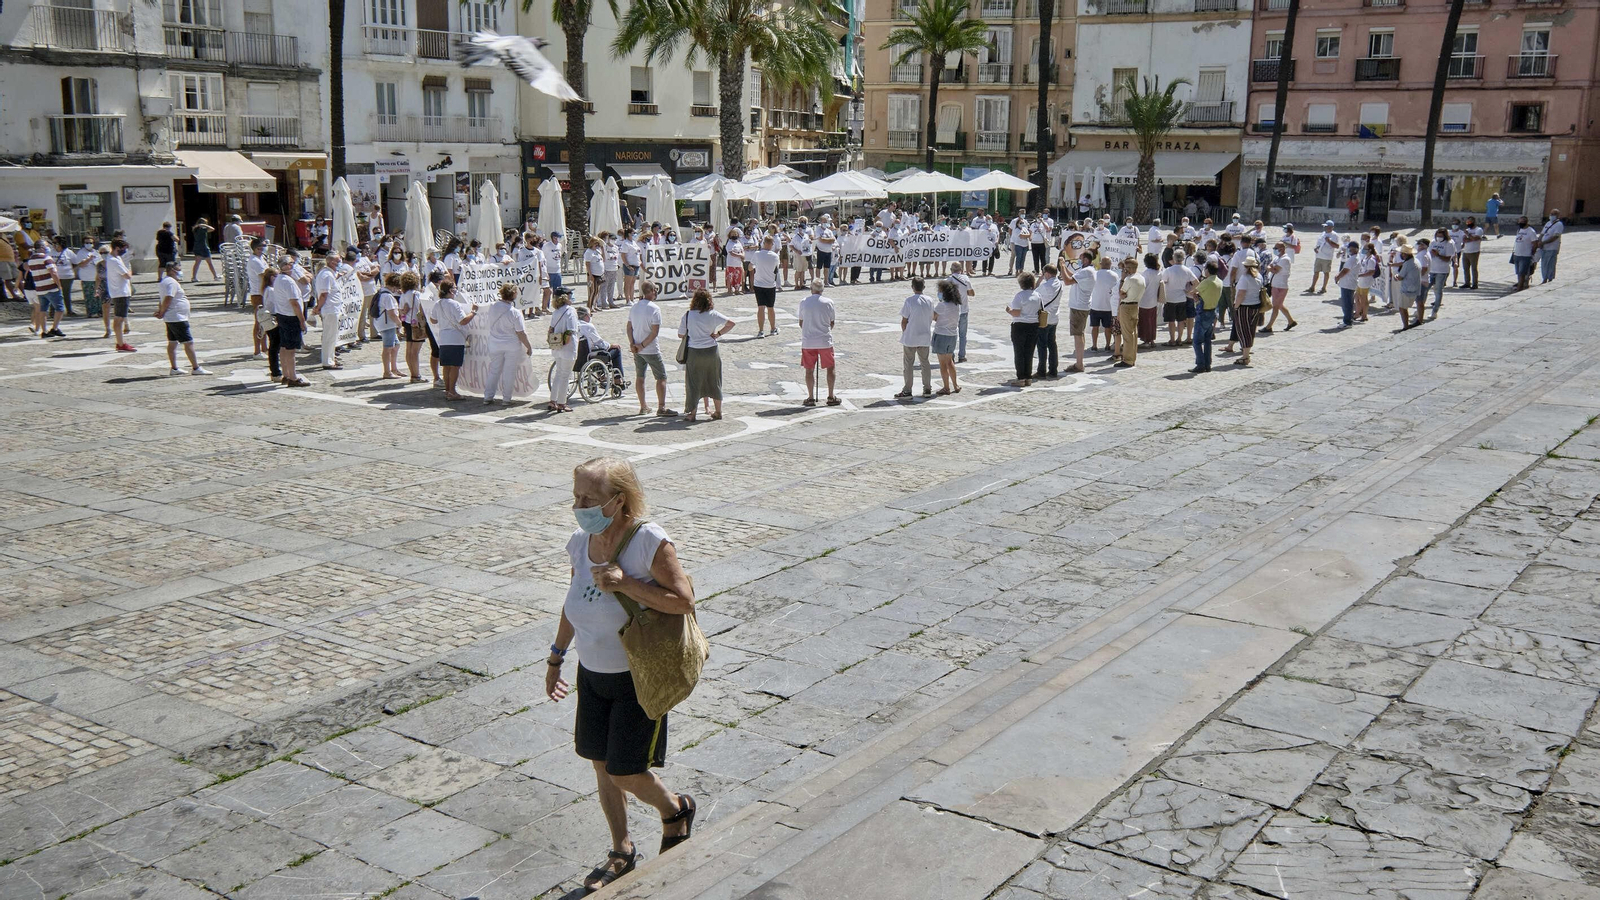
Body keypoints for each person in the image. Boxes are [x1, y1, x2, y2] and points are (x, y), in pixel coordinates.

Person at [545, 456, 697, 894]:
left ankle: (675, 808)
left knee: (625, 771)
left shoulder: (648, 541)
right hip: (591, 673)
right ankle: (622, 848)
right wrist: (556, 656)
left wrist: (626, 583)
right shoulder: (581, 542)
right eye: (576, 496)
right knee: (600, 766)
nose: (579, 505)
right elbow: (573, 600)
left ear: (619, 500)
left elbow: (682, 601)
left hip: (638, 676)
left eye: (589, 498)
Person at [678, 288, 734, 422]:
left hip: (694, 351)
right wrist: (718, 334)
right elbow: (731, 323)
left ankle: (692, 413)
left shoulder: (688, 315)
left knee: (693, 382)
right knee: (714, 380)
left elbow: (680, 334)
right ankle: (718, 411)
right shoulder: (713, 314)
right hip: (711, 351)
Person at [627, 282, 675, 417]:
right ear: (653, 291)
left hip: (637, 348)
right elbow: (654, 333)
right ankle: (661, 407)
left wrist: (633, 344)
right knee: (661, 377)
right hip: (650, 349)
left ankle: (643, 406)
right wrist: (642, 345)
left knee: (640, 377)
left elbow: (629, 327)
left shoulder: (634, 307)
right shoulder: (654, 309)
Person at [154, 261, 209, 375]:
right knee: (188, 342)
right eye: (179, 269)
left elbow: (162, 299)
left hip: (172, 317)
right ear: (172, 270)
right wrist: (162, 312)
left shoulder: (165, 281)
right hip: (177, 317)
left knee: (173, 342)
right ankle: (195, 367)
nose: (180, 271)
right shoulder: (171, 282)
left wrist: (161, 311)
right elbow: (168, 298)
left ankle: (174, 368)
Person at [265, 254, 310, 386]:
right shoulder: (288, 281)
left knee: (284, 347)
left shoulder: (279, 279)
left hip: (282, 315)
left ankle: (286, 374)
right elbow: (294, 303)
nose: (293, 264)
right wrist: (302, 321)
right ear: (286, 266)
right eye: (291, 262)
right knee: (290, 350)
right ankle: (293, 377)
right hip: (290, 317)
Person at [797, 279, 839, 407]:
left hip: (808, 341)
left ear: (811, 289)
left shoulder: (804, 302)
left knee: (809, 370)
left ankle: (810, 397)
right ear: (822, 290)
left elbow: (801, 322)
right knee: (830, 368)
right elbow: (832, 322)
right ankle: (831, 396)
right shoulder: (828, 302)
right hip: (824, 340)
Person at [430, 280, 472, 400]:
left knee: (446, 366)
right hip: (455, 338)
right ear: (450, 290)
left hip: (443, 338)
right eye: (454, 288)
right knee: (454, 366)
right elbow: (463, 320)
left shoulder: (438, 303)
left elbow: (433, 320)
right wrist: (473, 312)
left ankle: (448, 390)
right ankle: (452, 391)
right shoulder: (454, 304)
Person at [897, 277, 936, 399]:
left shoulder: (909, 301)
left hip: (911, 336)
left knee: (908, 364)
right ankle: (927, 388)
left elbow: (904, 320)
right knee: (925, 362)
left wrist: (905, 332)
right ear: (923, 287)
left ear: (912, 287)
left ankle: (907, 390)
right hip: (924, 334)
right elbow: (932, 316)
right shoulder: (929, 300)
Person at [1006, 272, 1043, 387]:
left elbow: (1016, 313)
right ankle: (1028, 376)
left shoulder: (1020, 296)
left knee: (1019, 352)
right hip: (1033, 325)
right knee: (1029, 352)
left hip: (1020, 326)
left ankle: (1021, 377)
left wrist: (1009, 311)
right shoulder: (1037, 295)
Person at [547, 287, 580, 412]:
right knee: (565, 375)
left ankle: (553, 400)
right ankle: (562, 402)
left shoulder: (556, 312)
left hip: (557, 345)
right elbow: (571, 330)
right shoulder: (570, 311)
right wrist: (568, 344)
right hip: (567, 346)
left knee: (558, 374)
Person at [26, 244, 65, 338]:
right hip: (51, 287)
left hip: (39, 288)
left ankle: (44, 331)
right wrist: (59, 285)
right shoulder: (46, 258)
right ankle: (54, 328)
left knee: (43, 309)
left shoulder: (31, 260)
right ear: (42, 247)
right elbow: (53, 272)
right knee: (60, 309)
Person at [931, 278, 962, 395]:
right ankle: (955, 385)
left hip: (942, 335)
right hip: (952, 335)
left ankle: (946, 387)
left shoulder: (941, 305)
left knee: (942, 364)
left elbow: (933, 317)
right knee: (950, 362)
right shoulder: (955, 305)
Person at [1032, 264, 1064, 379]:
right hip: (1054, 317)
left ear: (1047, 273)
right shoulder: (1059, 284)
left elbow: (1033, 292)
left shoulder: (1045, 286)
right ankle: (1053, 369)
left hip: (1044, 318)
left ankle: (1041, 370)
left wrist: (1039, 279)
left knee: (1042, 345)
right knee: (1052, 344)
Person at [312, 252, 343, 370]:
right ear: (332, 262)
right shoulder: (326, 275)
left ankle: (331, 358)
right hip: (330, 309)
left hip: (333, 309)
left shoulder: (330, 273)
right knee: (329, 337)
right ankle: (327, 361)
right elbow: (324, 294)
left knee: (332, 336)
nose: (340, 263)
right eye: (338, 261)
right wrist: (318, 307)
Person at [1191, 261, 1223, 373]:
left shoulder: (1207, 282)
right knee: (1207, 340)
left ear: (1208, 270)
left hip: (1203, 312)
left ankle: (1200, 364)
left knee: (1197, 341)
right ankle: (1208, 364)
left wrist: (1195, 298)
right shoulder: (1219, 281)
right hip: (1212, 311)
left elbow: (1193, 292)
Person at [1161, 249, 1197, 347]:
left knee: (1171, 320)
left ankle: (1172, 339)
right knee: (1181, 320)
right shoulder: (1187, 270)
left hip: (1170, 298)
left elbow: (1163, 282)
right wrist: (1190, 291)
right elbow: (1196, 282)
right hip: (1182, 297)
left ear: (1174, 258)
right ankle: (1179, 339)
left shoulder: (1168, 270)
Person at [1232, 258, 1263, 367]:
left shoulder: (1245, 278)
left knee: (1243, 330)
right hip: (1256, 305)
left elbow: (1241, 293)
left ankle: (1245, 356)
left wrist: (1236, 306)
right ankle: (1246, 353)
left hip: (1244, 306)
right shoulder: (1259, 276)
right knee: (1251, 330)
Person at [106, 239, 135, 352]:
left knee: (120, 317)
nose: (124, 251)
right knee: (119, 318)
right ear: (117, 248)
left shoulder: (114, 258)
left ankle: (120, 342)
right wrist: (130, 270)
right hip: (120, 292)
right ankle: (120, 343)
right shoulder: (114, 260)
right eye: (123, 249)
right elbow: (127, 275)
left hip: (119, 291)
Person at [1115, 258, 1144, 368]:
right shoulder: (1141, 278)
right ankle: (1132, 357)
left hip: (1126, 306)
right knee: (1133, 334)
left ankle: (1127, 360)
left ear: (1130, 268)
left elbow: (1121, 294)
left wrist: (1122, 279)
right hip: (1135, 305)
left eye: (1126, 269)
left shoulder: (1129, 279)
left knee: (1127, 335)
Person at [750, 236, 781, 337]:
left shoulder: (757, 254)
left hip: (758, 284)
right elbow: (776, 269)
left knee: (760, 308)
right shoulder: (775, 256)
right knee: (771, 308)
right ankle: (772, 328)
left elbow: (750, 267)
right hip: (770, 284)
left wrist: (756, 267)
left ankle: (761, 331)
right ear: (772, 244)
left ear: (763, 243)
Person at [1089, 257, 1118, 353]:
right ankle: (1107, 345)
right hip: (1108, 306)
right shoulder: (1114, 275)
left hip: (1096, 304)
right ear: (1110, 264)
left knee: (1095, 327)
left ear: (1101, 264)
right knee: (1108, 328)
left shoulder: (1095, 274)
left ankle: (1094, 345)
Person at [1137, 252, 1161, 348]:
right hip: (1154, 300)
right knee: (1152, 321)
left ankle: (1146, 340)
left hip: (1145, 300)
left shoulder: (1146, 273)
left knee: (1145, 321)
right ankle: (1151, 339)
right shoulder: (1158, 272)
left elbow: (1142, 285)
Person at [1396, 245, 1423, 329]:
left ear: (1405, 254)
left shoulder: (1407, 263)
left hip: (1406, 288)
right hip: (1415, 287)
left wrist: (1396, 276)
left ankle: (1405, 326)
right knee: (1404, 307)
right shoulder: (1416, 261)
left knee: (1402, 308)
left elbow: (1400, 277)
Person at [1427, 228, 1454, 312]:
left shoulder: (1449, 243)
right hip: (1431, 269)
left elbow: (1448, 259)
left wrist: (1438, 255)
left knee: (1438, 289)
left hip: (1442, 270)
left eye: (1441, 236)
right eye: (1438, 235)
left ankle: (1436, 308)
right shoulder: (1433, 242)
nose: (1439, 237)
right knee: (1425, 288)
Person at [1538, 210, 1564, 284]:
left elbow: (1555, 236)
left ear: (1558, 215)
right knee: (1544, 263)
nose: (1552, 215)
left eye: (1554, 214)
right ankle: (1544, 278)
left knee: (1550, 263)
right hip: (1544, 247)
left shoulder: (1559, 224)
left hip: (1552, 247)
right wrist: (1539, 241)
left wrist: (1544, 242)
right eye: (1551, 214)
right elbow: (1542, 233)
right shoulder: (1548, 223)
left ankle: (1550, 278)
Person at [1511, 216, 1536, 291]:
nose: (1521, 223)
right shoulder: (1519, 230)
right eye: (1520, 221)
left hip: (1525, 255)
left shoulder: (1531, 231)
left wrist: (1532, 252)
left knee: (1522, 272)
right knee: (1518, 272)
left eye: (1523, 221)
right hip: (1517, 254)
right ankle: (1519, 284)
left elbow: (1535, 243)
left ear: (1526, 222)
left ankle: (1520, 287)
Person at [1460, 217, 1483, 290]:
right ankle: (1467, 283)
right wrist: (1470, 238)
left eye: (1469, 222)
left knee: (1474, 268)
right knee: (1465, 268)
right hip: (1466, 251)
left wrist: (1469, 236)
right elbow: (1464, 239)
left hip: (1474, 251)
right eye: (1467, 222)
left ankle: (1475, 284)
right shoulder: (1467, 230)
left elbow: (1476, 238)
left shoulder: (1478, 230)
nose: (1468, 224)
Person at [584, 237, 606, 310]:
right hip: (593, 274)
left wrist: (602, 248)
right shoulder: (588, 252)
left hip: (599, 274)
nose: (597, 245)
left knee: (597, 291)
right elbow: (587, 264)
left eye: (597, 244)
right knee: (592, 291)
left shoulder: (598, 251)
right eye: (595, 243)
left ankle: (594, 305)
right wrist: (590, 275)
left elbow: (604, 259)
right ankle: (589, 306)